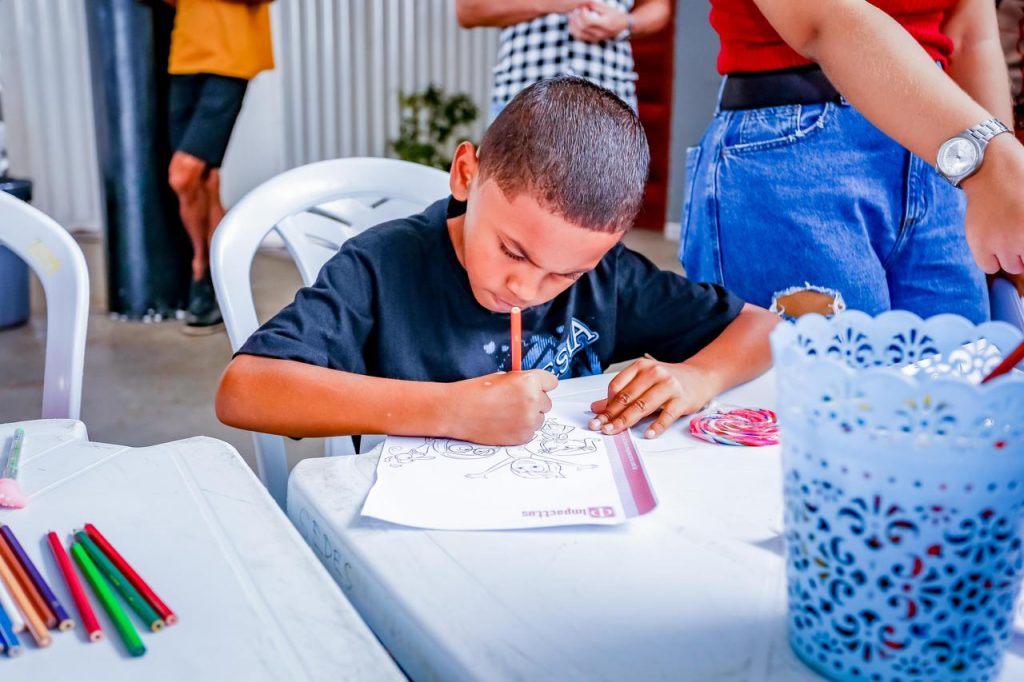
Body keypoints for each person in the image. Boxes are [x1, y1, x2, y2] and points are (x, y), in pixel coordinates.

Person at [215, 77, 778, 446]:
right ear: (467, 175)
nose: (527, 288)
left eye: (565, 274)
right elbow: (245, 389)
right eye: (512, 250)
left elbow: (764, 326)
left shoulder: (607, 278)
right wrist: (449, 410)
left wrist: (698, 377)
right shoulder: (381, 266)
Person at [681, 0, 1024, 323]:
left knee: (956, 362)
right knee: (813, 366)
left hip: (946, 161)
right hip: (796, 156)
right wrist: (990, 161)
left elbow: (971, 36)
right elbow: (821, 19)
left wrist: (1004, 191)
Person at [165, 0, 274, 334]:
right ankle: (221, 278)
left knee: (182, 175)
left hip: (230, 59)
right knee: (206, 178)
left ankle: (200, 270)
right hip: (184, 56)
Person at [456, 0, 671, 115]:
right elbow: (468, 8)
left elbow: (660, 6)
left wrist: (625, 22)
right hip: (520, 99)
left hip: (611, 103)